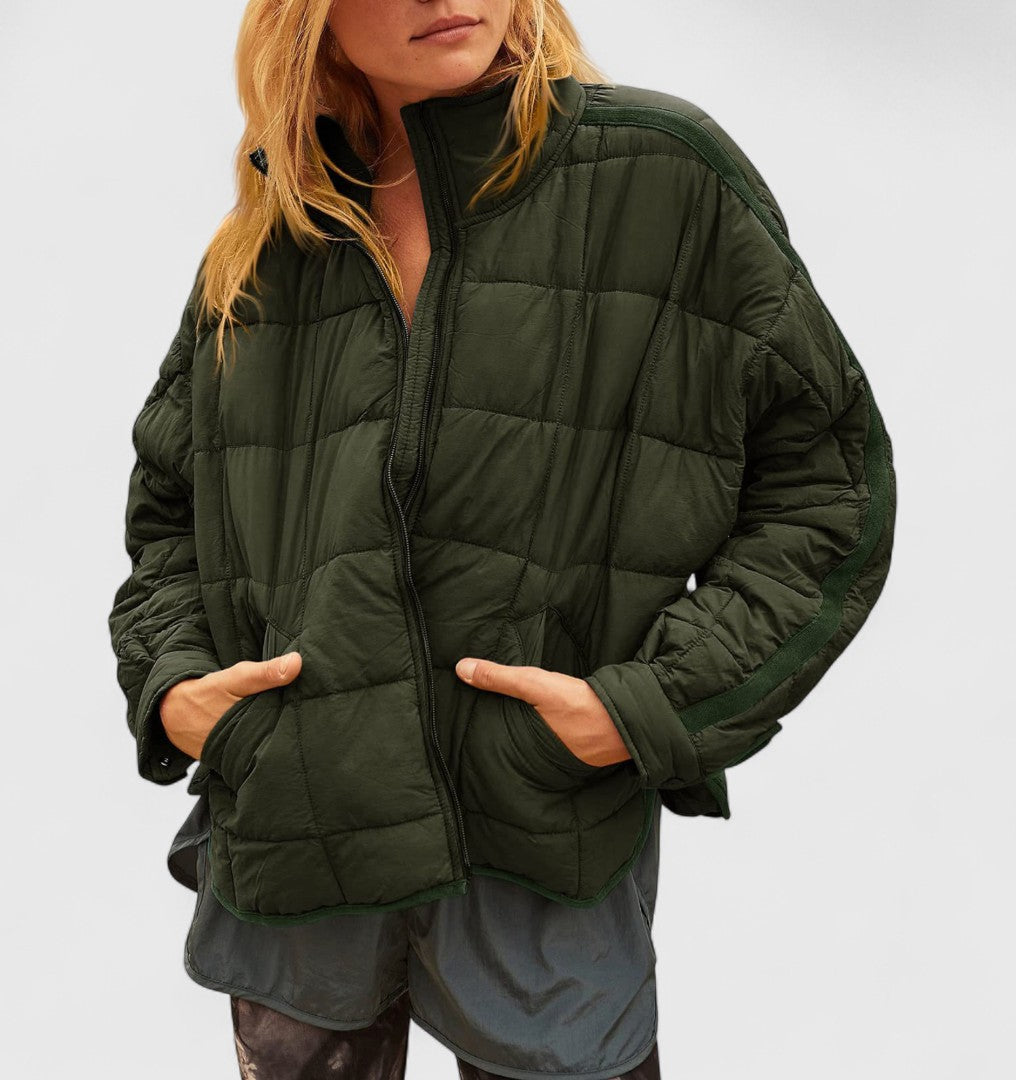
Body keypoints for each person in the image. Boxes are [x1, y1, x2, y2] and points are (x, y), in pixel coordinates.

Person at [107, 2, 898, 1078]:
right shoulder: (266, 245)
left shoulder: (661, 176)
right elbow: (169, 513)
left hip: (540, 837)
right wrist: (180, 691)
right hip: (295, 847)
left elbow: (826, 486)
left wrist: (647, 705)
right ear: (311, 20)